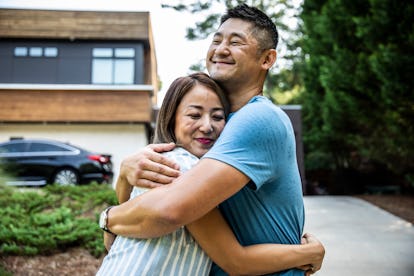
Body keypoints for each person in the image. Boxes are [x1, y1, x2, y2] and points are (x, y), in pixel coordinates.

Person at [101, 4, 325, 275]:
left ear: (267, 59)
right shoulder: (218, 131)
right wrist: (125, 175)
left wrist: (107, 217)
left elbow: (169, 210)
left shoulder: (257, 118)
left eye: (235, 42)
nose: (220, 49)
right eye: (216, 40)